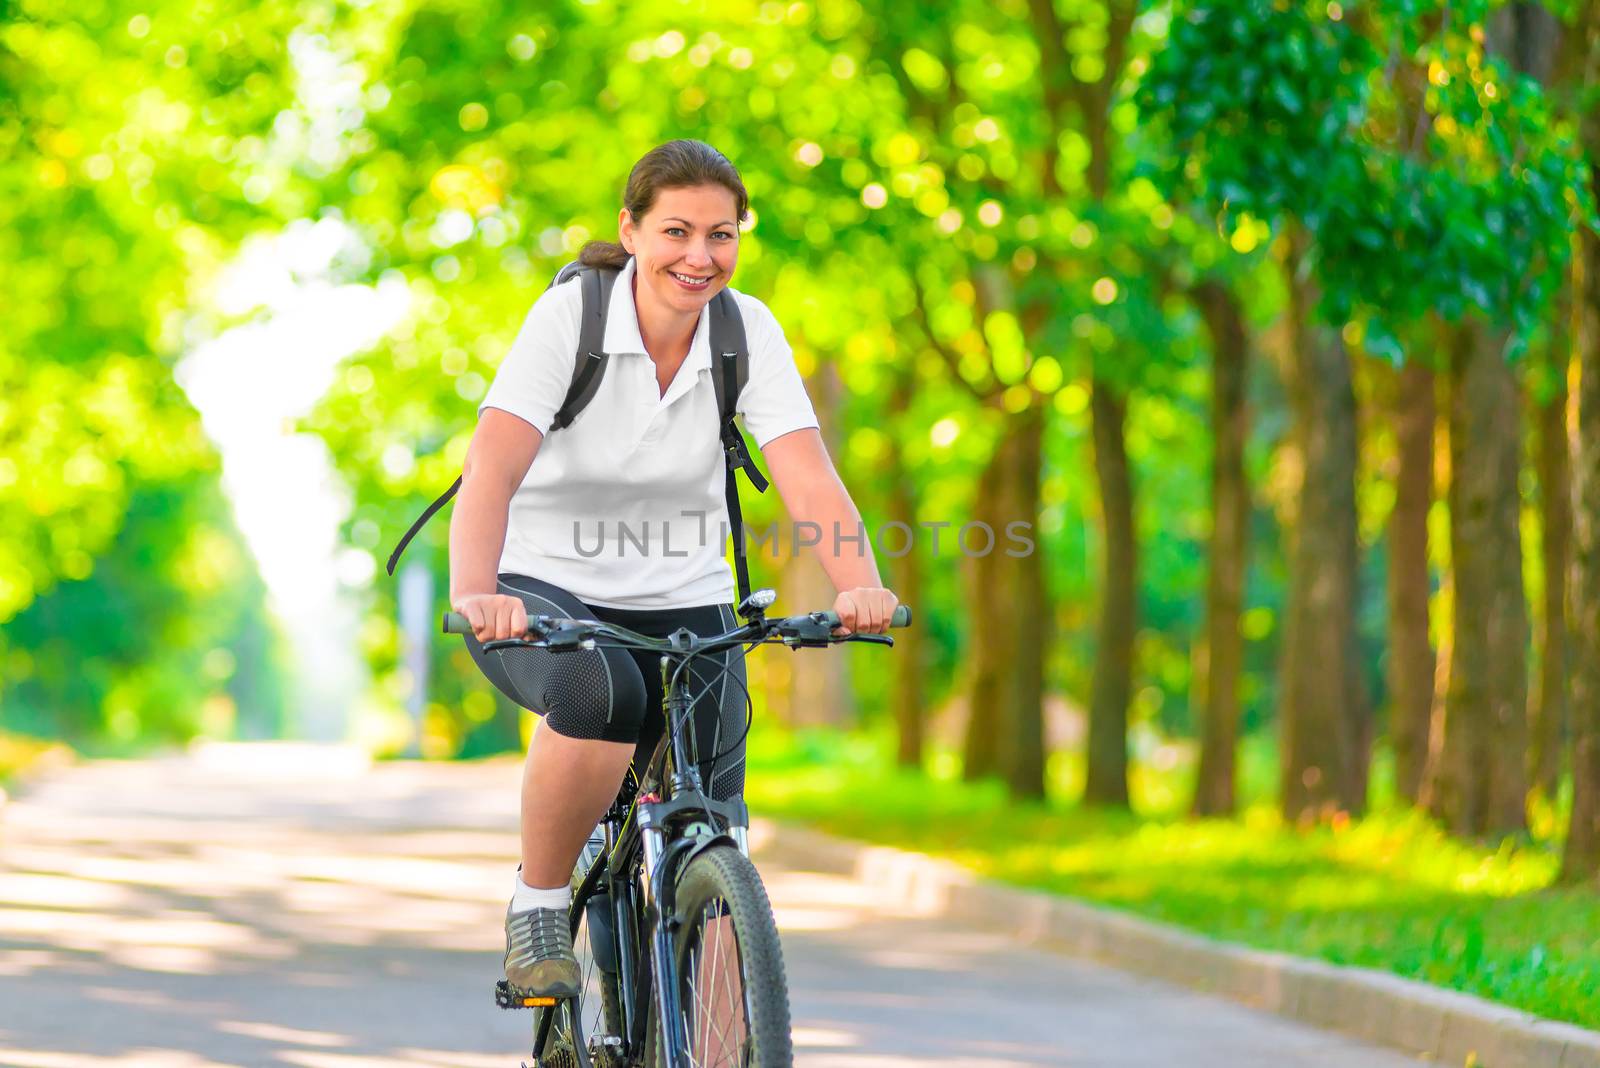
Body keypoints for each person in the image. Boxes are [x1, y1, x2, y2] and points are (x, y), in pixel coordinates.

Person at [448, 139, 899, 996]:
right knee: (602, 694)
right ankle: (538, 902)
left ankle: (729, 1032)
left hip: (688, 599)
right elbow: (493, 464)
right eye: (678, 231)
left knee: (715, 834)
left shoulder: (744, 330)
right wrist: (478, 592)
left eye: (722, 235)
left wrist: (858, 585)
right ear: (631, 228)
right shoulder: (572, 318)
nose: (701, 256)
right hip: (543, 591)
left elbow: (806, 472)